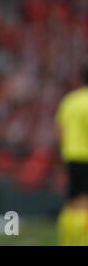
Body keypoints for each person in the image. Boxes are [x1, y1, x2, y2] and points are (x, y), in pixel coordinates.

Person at [55, 65, 88, 246]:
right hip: (86, 155)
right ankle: (82, 241)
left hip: (70, 155)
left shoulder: (69, 100)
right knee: (84, 202)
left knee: (72, 201)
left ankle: (67, 240)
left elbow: (59, 131)